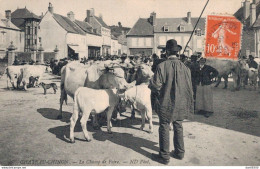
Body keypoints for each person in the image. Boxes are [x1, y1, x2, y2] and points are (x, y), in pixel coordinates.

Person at [149, 39, 194, 165]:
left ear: (167, 52)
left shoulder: (161, 66)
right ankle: (179, 153)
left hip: (165, 102)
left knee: (164, 126)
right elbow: (189, 88)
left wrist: (151, 82)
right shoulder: (185, 68)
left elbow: (156, 86)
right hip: (181, 102)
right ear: (177, 52)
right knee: (178, 125)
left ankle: (164, 156)